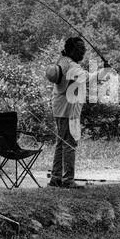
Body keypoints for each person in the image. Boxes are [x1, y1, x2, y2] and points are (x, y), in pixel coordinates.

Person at [44, 36, 87, 188]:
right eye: (81, 49)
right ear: (73, 50)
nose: (83, 52)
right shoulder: (71, 65)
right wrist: (104, 71)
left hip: (61, 109)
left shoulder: (63, 61)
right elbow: (85, 79)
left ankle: (56, 178)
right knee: (69, 144)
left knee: (61, 144)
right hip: (68, 111)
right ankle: (68, 180)